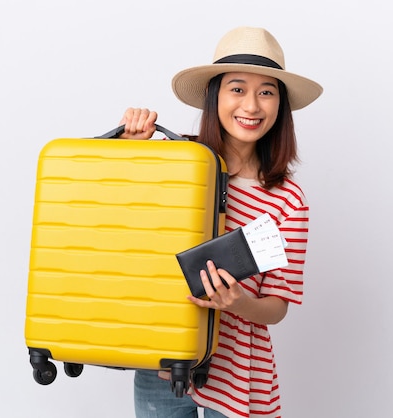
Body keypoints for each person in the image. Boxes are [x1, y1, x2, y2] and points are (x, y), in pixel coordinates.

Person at [119, 26, 323, 418]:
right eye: (237, 88)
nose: (251, 106)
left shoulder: (288, 200)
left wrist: (239, 302)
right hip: (163, 363)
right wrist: (131, 148)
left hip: (238, 375)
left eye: (266, 92)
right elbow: (122, 221)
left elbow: (278, 306)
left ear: (280, 105)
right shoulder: (178, 161)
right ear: (215, 96)